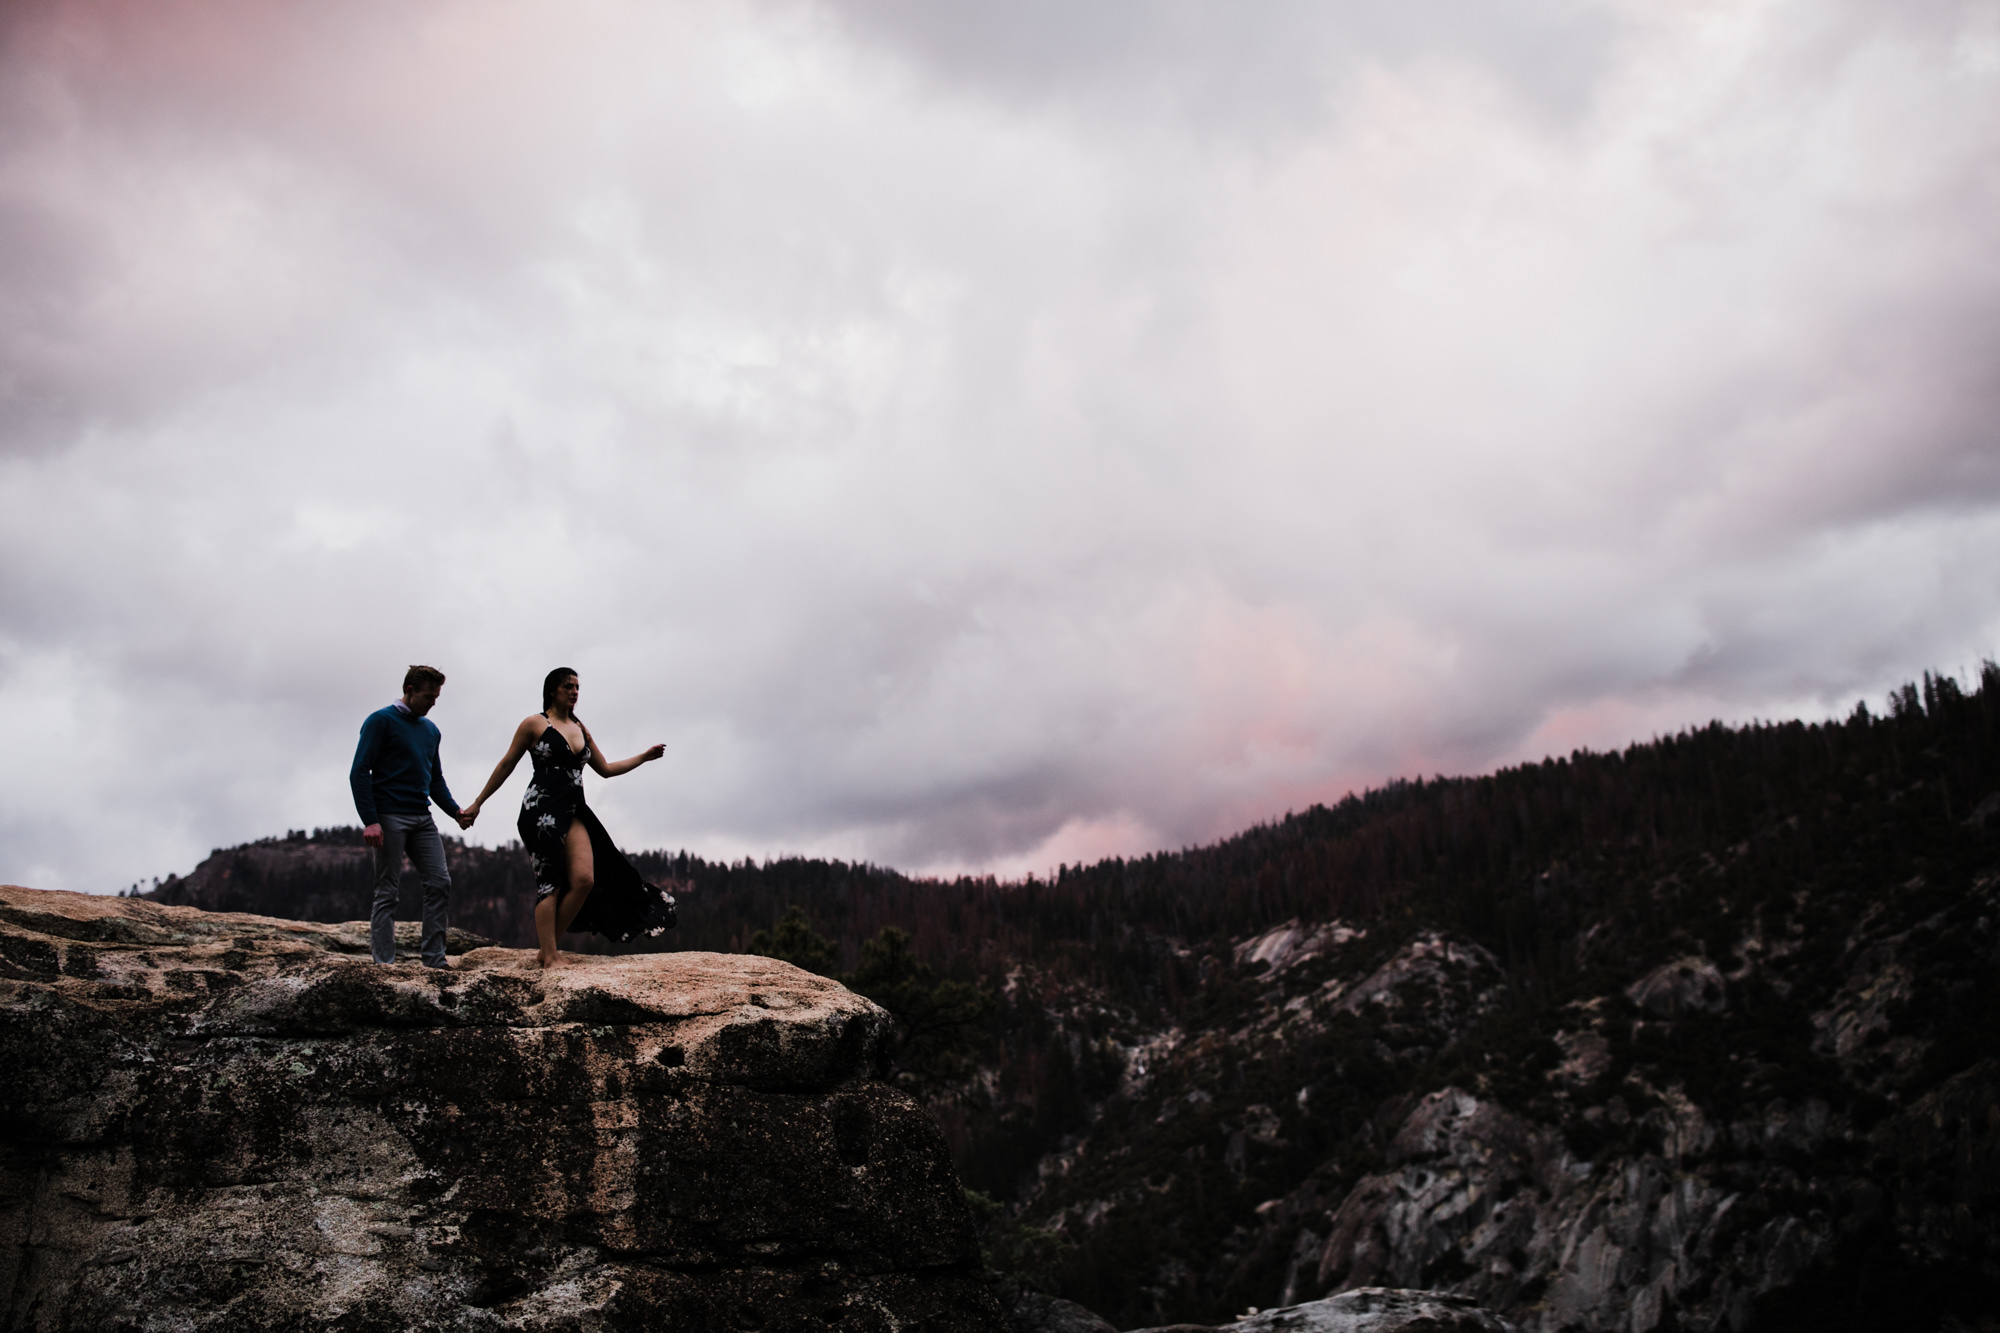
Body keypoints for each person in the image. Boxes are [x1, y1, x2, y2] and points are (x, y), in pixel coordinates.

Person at [461, 667, 677, 968]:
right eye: (568, 686)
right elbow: (506, 764)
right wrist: (477, 803)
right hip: (542, 812)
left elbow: (605, 769)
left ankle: (545, 950)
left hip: (574, 809)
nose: (574, 691)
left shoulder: (580, 727)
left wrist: (644, 757)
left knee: (584, 879)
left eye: (577, 687)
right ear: (553, 690)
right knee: (550, 882)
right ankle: (549, 956)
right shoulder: (535, 724)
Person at [350, 664, 472, 968]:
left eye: (437, 697)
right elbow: (359, 772)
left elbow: (435, 781)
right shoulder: (380, 721)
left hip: (422, 818)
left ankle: (434, 959)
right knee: (388, 890)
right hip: (389, 817)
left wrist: (455, 811)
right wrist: (371, 820)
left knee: (439, 882)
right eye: (429, 696)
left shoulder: (431, 731)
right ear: (410, 691)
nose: (433, 703)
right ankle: (384, 964)